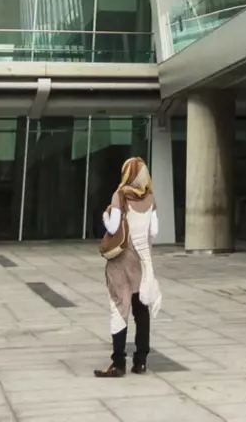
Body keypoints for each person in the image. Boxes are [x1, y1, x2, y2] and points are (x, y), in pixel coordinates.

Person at [94, 156, 161, 378]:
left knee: (118, 307)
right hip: (142, 262)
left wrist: (105, 216)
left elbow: (113, 227)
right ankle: (140, 361)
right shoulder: (150, 198)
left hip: (122, 262)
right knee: (141, 311)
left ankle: (118, 362)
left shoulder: (120, 195)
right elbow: (155, 231)